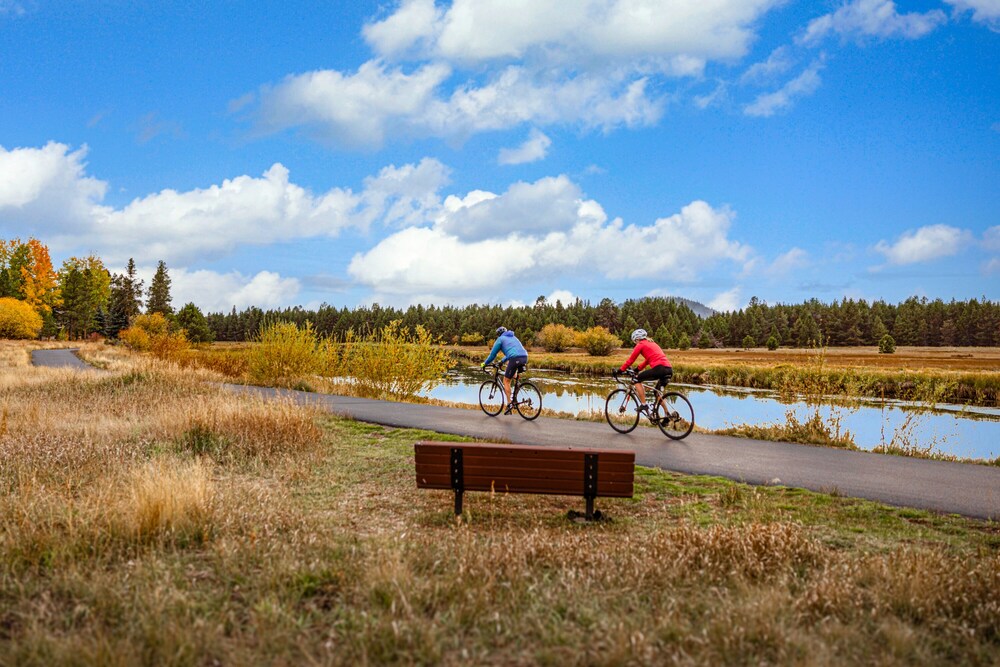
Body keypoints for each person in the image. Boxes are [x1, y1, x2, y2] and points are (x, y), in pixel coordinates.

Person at [618, 328, 673, 416]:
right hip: (669, 369)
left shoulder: (640, 345)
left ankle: (644, 405)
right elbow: (647, 361)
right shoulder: (652, 343)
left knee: (636, 380)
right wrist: (637, 369)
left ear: (637, 339)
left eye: (634, 341)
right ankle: (667, 415)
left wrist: (620, 370)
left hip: (659, 369)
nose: (635, 343)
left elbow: (631, 360)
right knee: (657, 393)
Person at [482, 326, 529, 414]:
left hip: (515, 358)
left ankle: (509, 404)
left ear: (498, 334)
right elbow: (511, 353)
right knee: (512, 374)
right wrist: (501, 361)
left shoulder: (500, 339)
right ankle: (516, 392)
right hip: (525, 357)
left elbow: (492, 355)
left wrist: (485, 363)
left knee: (506, 380)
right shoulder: (513, 337)